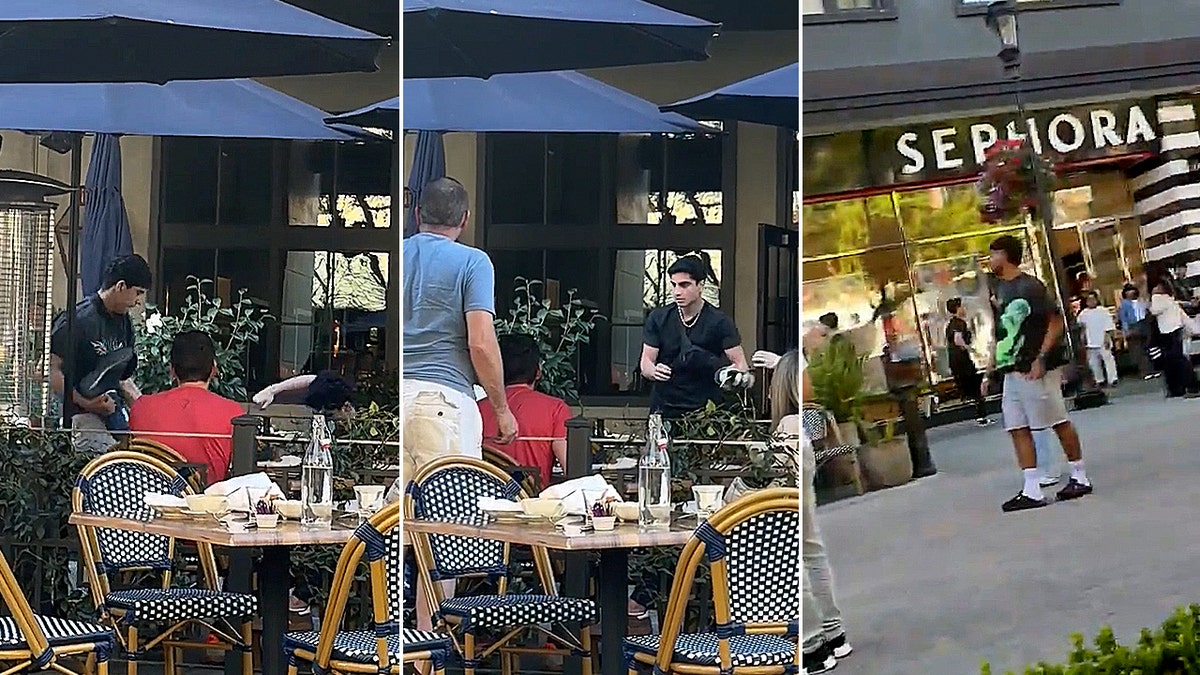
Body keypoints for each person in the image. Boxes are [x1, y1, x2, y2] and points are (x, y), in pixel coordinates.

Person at [403, 177, 516, 633]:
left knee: (395, 529)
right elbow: (481, 343)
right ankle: (427, 645)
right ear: (464, 220)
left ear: (417, 214)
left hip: (401, 400)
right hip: (444, 402)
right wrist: (503, 408)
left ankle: (391, 645)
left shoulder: (402, 254)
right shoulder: (473, 261)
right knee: (445, 536)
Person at [980, 235, 1092, 513]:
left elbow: (1055, 320)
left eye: (993, 254)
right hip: (1012, 369)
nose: (990, 260)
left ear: (1005, 256)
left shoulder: (1030, 286)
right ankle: (1032, 487)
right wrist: (990, 368)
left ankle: (1079, 475)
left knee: (1057, 419)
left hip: (1035, 367)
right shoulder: (1000, 289)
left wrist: (1041, 356)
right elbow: (1003, 333)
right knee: (1016, 426)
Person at [50, 254, 150, 454]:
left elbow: (124, 380)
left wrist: (148, 412)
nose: (139, 301)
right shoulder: (77, 320)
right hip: (80, 416)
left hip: (114, 412)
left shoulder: (125, 322)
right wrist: (85, 402)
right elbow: (50, 370)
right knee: (114, 461)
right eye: (138, 292)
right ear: (121, 286)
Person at [793, 349, 852, 674]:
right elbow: (808, 390)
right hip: (800, 442)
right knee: (809, 547)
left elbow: (804, 390)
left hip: (790, 441)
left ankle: (812, 645)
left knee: (790, 552)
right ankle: (833, 634)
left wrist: (781, 373)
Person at [639, 255, 749, 419]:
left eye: (685, 285)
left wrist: (730, 375)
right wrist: (654, 371)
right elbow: (646, 362)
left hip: (706, 411)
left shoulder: (719, 322)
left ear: (701, 285)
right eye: (674, 285)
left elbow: (741, 364)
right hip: (664, 407)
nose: (677, 292)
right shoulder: (658, 318)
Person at [128, 331, 245, 485]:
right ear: (214, 369)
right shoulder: (234, 413)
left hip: (146, 502)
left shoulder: (141, 407)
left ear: (172, 370)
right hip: (204, 505)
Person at [477, 334, 571, 488]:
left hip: (482, 500)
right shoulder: (556, 409)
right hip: (533, 505)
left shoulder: (477, 408)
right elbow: (571, 469)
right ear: (538, 371)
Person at [1149, 280, 1199, 398]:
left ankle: (1178, 388)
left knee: (1173, 361)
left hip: (1167, 333)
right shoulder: (1171, 301)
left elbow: (1154, 310)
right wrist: (1194, 328)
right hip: (1176, 331)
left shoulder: (1158, 298)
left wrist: (1153, 296)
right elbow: (1183, 316)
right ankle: (1189, 386)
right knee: (1177, 360)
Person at [944, 297, 990, 426]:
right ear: (957, 309)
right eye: (961, 307)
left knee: (965, 387)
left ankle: (974, 414)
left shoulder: (950, 325)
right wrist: (970, 349)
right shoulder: (959, 323)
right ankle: (981, 415)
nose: (964, 309)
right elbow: (958, 339)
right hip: (962, 360)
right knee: (976, 386)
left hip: (954, 360)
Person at [1076, 292, 1118, 388]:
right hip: (1090, 341)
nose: (1091, 302)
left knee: (1108, 360)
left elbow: (1109, 326)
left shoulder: (1103, 311)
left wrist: (1107, 338)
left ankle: (1112, 379)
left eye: (1093, 299)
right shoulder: (1083, 314)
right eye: (1089, 300)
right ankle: (1099, 380)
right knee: (1093, 362)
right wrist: (1083, 338)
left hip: (1102, 339)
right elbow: (1082, 327)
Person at [1118, 283, 1155, 380]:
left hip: (1144, 324)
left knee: (1147, 348)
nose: (1130, 293)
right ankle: (1145, 371)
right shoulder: (1125, 304)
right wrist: (1126, 330)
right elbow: (1123, 318)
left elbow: (1148, 310)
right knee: (1138, 350)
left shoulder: (1141, 301)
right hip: (1133, 325)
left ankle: (1150, 369)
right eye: (1128, 292)